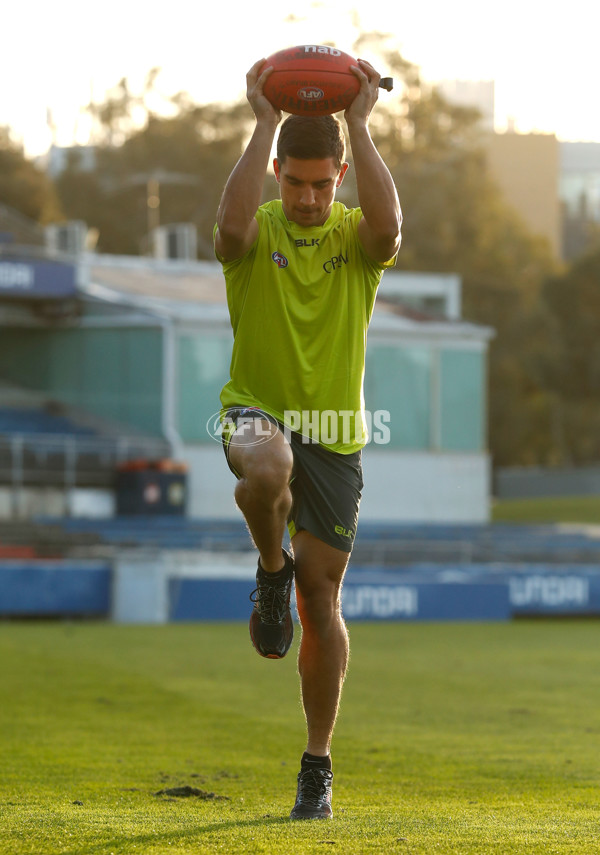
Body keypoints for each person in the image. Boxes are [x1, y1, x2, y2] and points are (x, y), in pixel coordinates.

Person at [213, 54, 401, 820]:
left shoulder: (358, 241)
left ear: (341, 174)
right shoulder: (254, 233)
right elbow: (225, 229)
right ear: (277, 177)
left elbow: (391, 231)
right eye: (296, 182)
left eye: (324, 183)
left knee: (323, 601)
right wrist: (261, 120)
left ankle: (316, 763)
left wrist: (360, 117)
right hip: (256, 408)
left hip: (336, 434)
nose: (311, 197)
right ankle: (269, 570)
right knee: (266, 462)